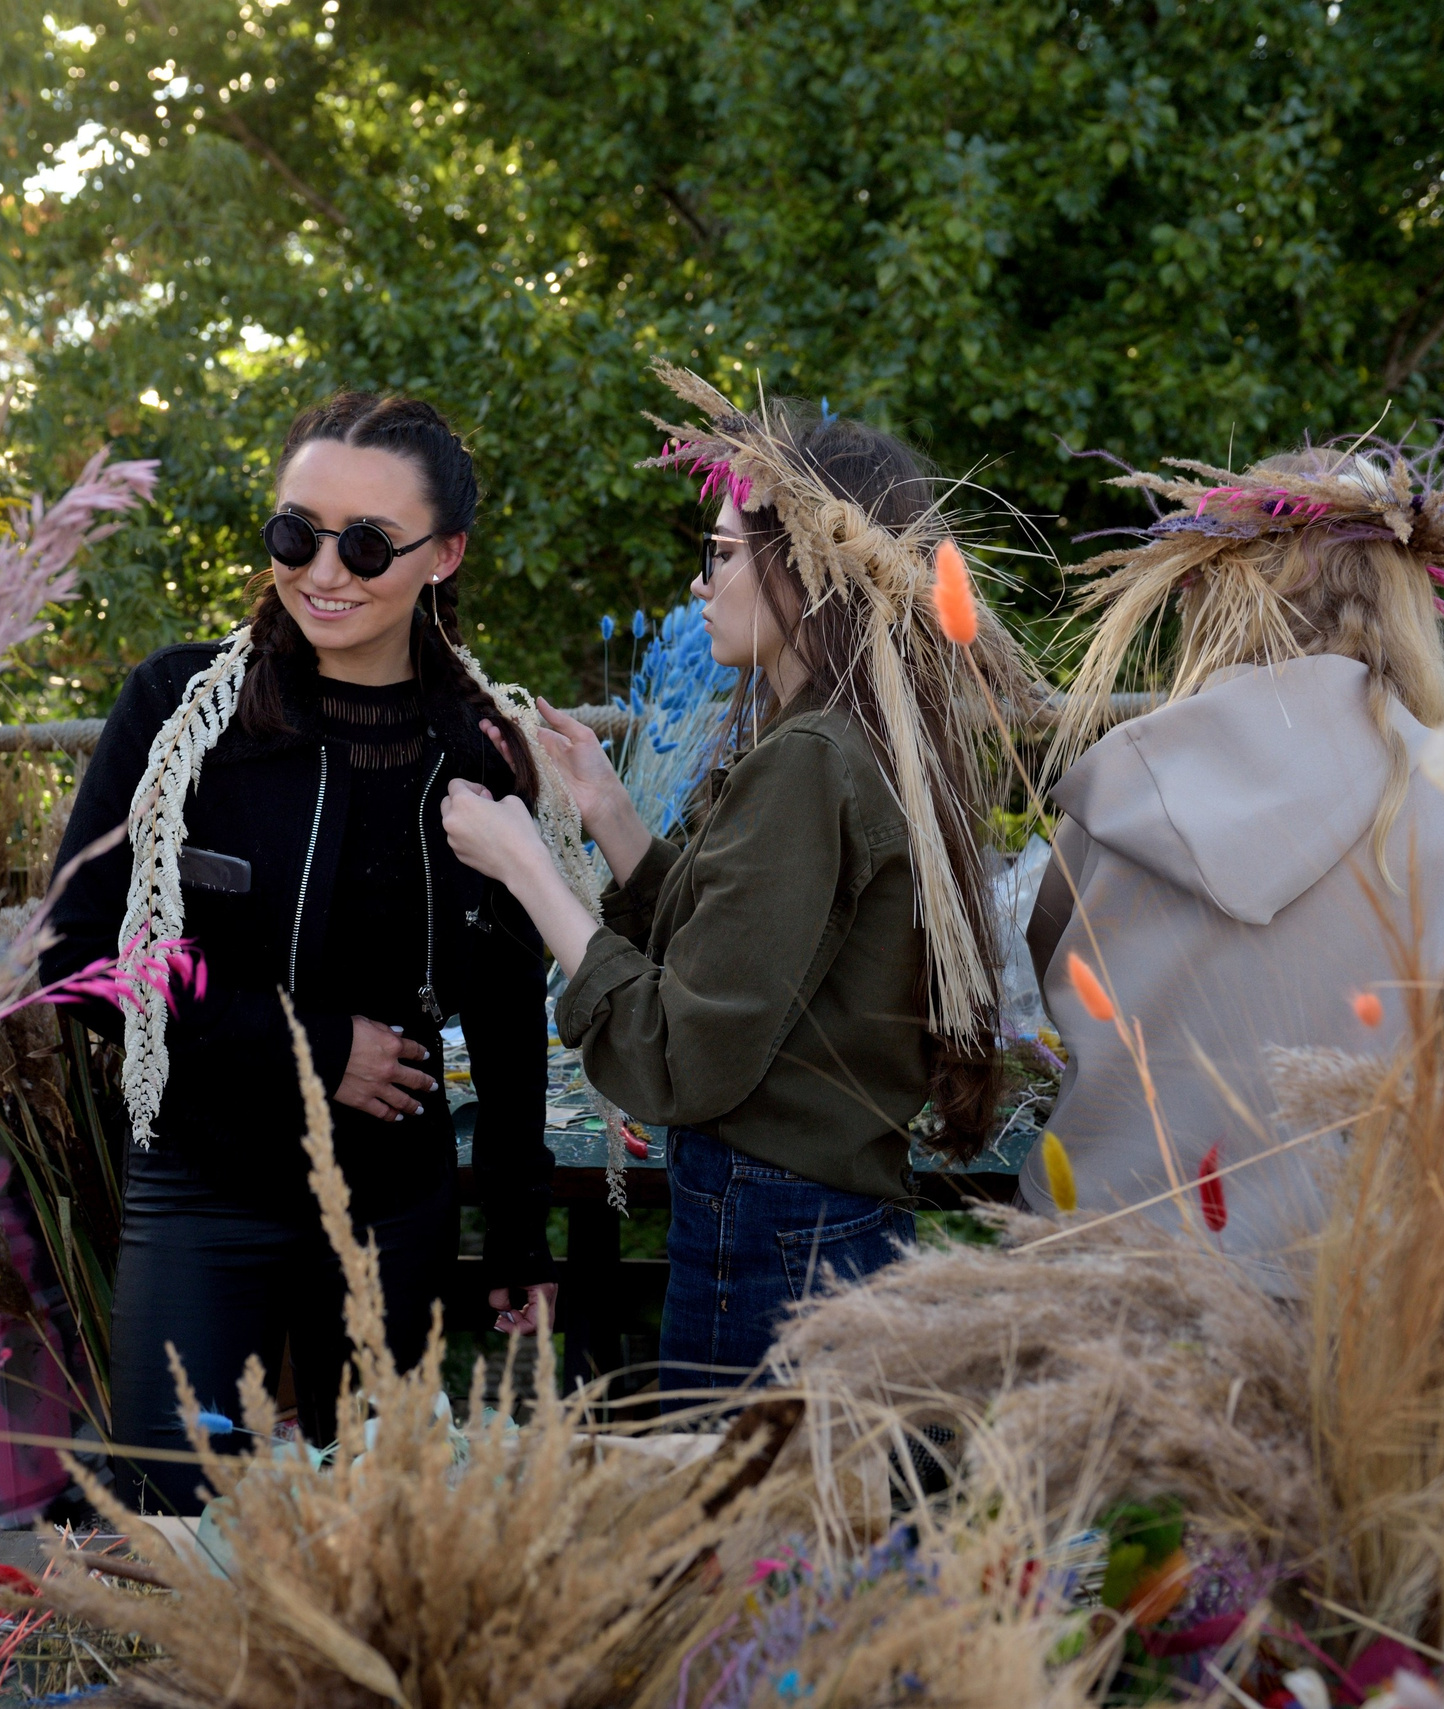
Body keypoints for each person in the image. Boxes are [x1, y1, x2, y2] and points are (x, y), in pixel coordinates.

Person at [440, 365, 1038, 1392]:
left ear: (802, 571)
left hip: (773, 1233)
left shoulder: (810, 759)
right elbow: (752, 951)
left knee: (747, 1534)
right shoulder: (847, 739)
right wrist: (611, 816)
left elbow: (685, 1054)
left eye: (719, 554)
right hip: (816, 1216)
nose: (697, 582)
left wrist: (531, 870)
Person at [41, 393, 562, 1511]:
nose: (323, 569)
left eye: (367, 543)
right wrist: (309, 1046)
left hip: (393, 1204)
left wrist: (517, 1226)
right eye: (295, 532)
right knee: (177, 1517)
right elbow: (79, 951)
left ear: (444, 554)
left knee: (368, 1533)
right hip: (203, 1181)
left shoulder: (475, 747)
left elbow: (511, 995)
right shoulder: (181, 713)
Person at [1024, 440, 1444, 1290]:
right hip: (1342, 1298)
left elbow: (1056, 968)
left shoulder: (1125, 776)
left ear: (1224, 583)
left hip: (1097, 1265)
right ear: (1409, 597)